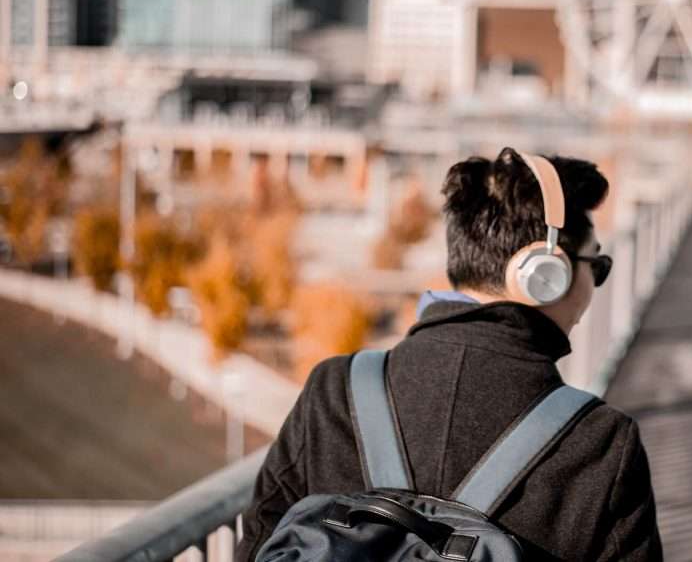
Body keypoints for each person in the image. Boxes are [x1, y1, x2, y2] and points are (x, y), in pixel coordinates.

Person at [235, 148, 662, 561]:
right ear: (546, 274)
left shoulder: (334, 390)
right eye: (597, 266)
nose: (597, 283)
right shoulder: (601, 442)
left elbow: (258, 545)